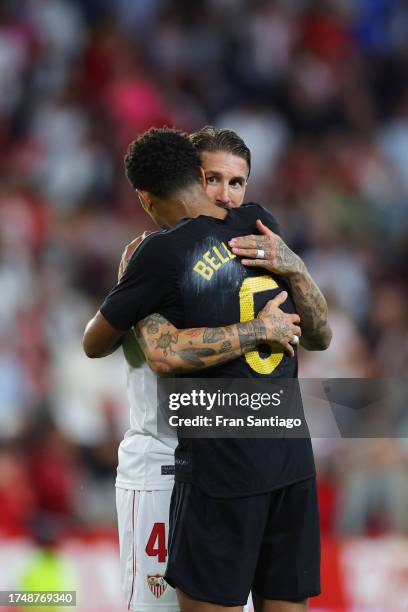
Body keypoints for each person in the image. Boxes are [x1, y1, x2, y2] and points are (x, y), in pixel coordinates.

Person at [84, 127, 331, 611]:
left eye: (236, 182)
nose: (225, 194)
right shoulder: (258, 230)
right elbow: (319, 335)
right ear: (196, 176)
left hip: (210, 462)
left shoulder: (159, 253)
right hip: (268, 451)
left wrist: (293, 272)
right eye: (214, 179)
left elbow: (139, 349)